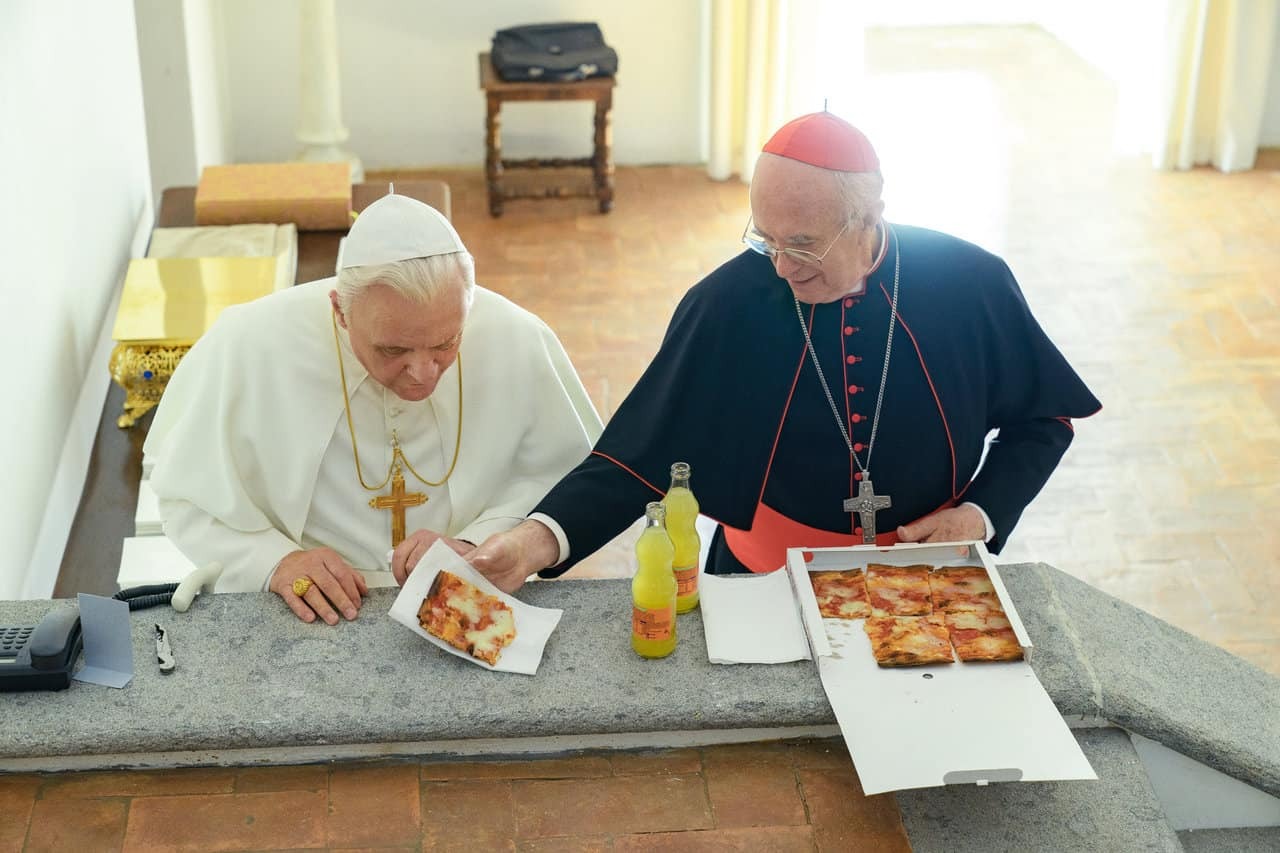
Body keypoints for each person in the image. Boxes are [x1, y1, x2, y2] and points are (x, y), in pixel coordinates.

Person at [467, 111, 1101, 592]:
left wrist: (982, 515)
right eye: (764, 239)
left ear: (870, 216)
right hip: (762, 582)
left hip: (930, 579)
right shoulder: (727, 304)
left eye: (802, 245)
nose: (781, 268)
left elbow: (1042, 419)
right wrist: (532, 542)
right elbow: (640, 457)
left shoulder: (970, 283)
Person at [144, 192, 603, 623]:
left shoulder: (515, 337)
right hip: (314, 614)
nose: (424, 373)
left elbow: (566, 477)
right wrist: (274, 562)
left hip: (468, 605)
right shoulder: (250, 346)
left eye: (446, 343)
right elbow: (190, 500)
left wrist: (476, 543)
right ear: (341, 312)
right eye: (392, 350)